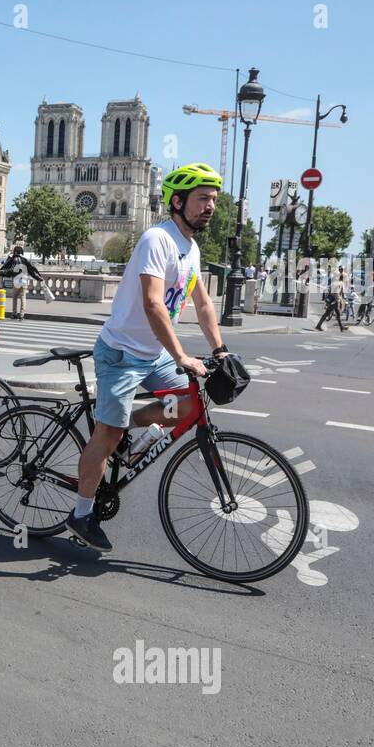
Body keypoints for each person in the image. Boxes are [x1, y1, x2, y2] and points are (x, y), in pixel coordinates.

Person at [66, 162, 231, 551]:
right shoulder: (158, 239)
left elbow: (203, 303)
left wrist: (220, 350)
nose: (210, 207)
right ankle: (81, 513)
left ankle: (129, 425)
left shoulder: (190, 247)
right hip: (122, 353)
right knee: (107, 434)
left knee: (190, 403)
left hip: (153, 353)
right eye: (202, 199)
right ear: (177, 201)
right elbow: (154, 304)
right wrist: (182, 356)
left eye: (213, 200)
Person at [0, 245, 44, 321]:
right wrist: (39, 278)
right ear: (21, 252)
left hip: (16, 280)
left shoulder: (13, 259)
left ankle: (14, 313)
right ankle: (22, 315)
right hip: (24, 280)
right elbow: (32, 270)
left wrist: (1, 272)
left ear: (15, 252)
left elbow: (10, 270)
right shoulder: (25, 260)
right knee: (23, 297)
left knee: (15, 297)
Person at [314, 266, 346, 332]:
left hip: (331, 300)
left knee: (333, 314)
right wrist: (339, 301)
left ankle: (341, 327)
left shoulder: (334, 283)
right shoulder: (340, 283)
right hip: (334, 301)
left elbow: (331, 292)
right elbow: (337, 293)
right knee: (330, 314)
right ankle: (318, 326)